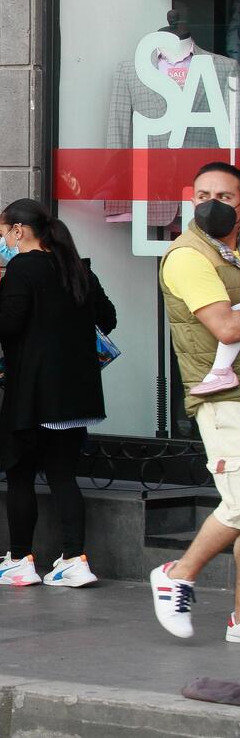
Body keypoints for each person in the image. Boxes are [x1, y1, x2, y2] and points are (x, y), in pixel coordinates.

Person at [0, 199, 117, 588]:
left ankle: (20, 559)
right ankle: (74, 559)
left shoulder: (23, 268)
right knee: (63, 474)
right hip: (77, 394)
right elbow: (108, 318)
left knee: (19, 472)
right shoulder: (76, 267)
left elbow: (10, 322)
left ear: (19, 230)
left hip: (33, 392)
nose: (2, 241)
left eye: (2, 233)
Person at [152, 161, 240, 642]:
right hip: (225, 398)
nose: (211, 205)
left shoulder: (231, 253)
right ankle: (178, 573)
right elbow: (225, 327)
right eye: (203, 195)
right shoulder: (189, 256)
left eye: (224, 197)